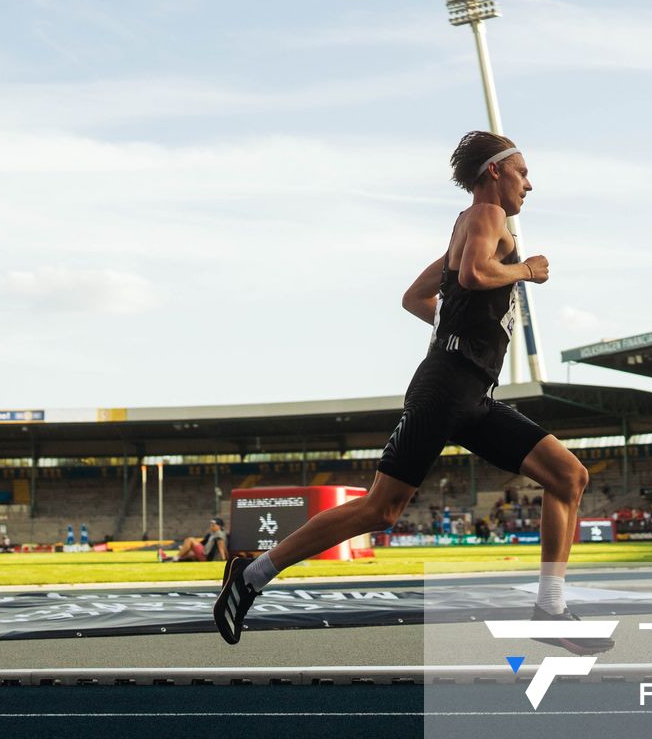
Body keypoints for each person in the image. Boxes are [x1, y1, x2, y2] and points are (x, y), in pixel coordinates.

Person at [214, 131, 601, 651]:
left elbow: (416, 296)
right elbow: (476, 271)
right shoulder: (488, 217)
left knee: (568, 476)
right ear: (494, 172)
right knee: (380, 510)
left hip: (471, 394)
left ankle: (549, 610)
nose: (529, 184)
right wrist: (526, 271)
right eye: (522, 172)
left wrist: (455, 321)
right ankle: (250, 574)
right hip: (446, 390)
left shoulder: (466, 228)